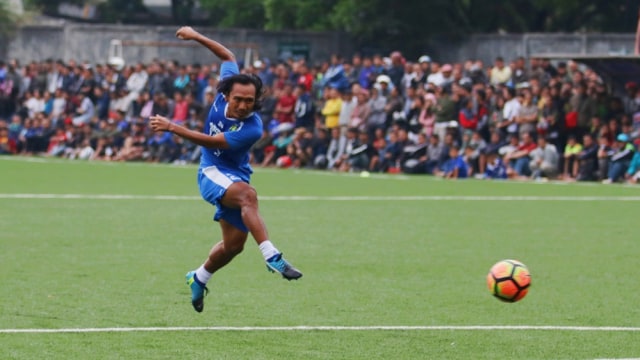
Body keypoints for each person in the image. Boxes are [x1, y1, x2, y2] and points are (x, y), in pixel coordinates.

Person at [149, 27, 302, 313]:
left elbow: (211, 140)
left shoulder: (253, 127)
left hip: (234, 175)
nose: (244, 105)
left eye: (249, 101)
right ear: (227, 94)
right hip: (210, 172)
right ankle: (272, 255)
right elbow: (227, 54)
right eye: (238, 99)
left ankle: (199, 277)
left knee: (233, 246)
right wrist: (196, 36)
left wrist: (173, 127)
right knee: (248, 196)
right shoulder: (223, 94)